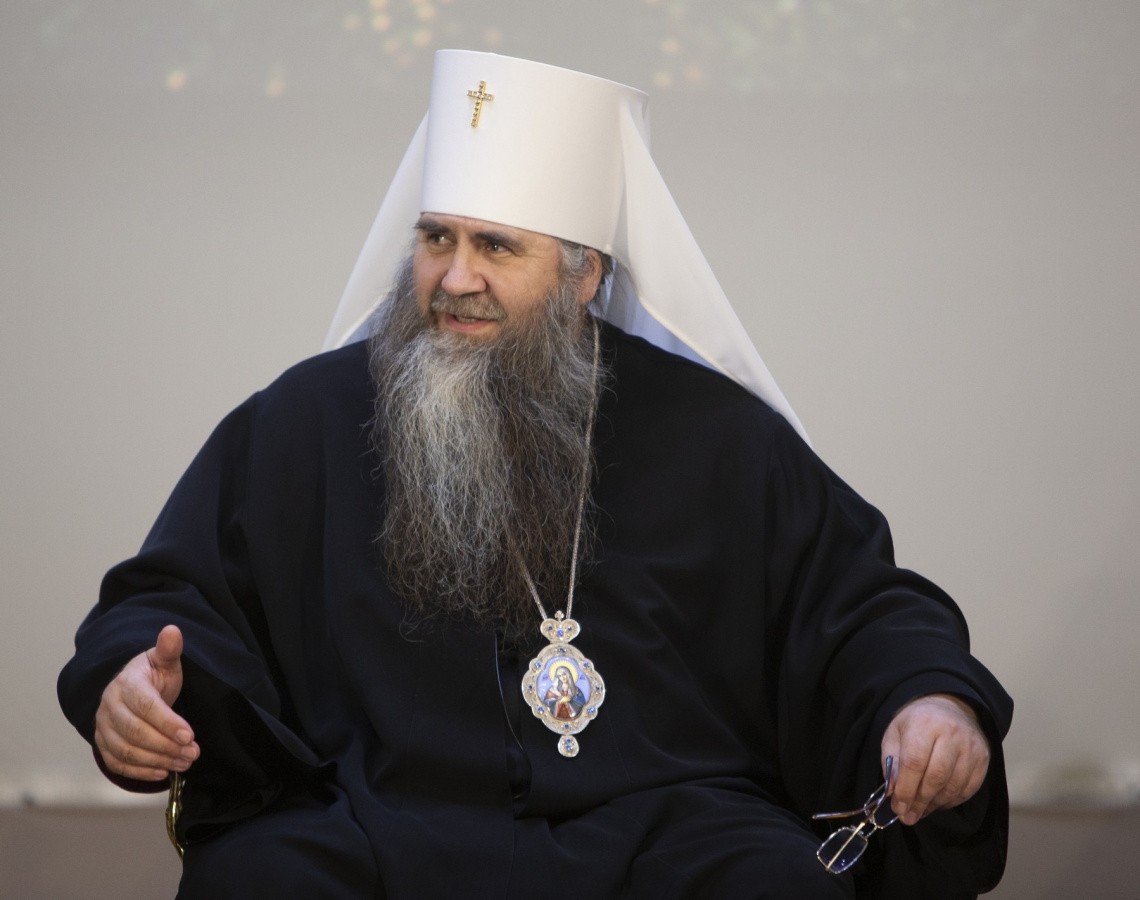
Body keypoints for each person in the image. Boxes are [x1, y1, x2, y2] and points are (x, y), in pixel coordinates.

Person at [59, 51, 1011, 898]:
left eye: (497, 247)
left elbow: (858, 606)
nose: (455, 278)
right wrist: (131, 681)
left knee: (775, 881)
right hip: (373, 819)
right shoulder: (304, 422)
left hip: (668, 825)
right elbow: (172, 597)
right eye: (437, 238)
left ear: (584, 273)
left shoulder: (719, 437)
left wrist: (927, 696)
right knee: (258, 878)